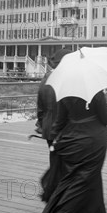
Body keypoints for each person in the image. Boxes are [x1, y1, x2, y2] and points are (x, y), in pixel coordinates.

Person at [41, 90, 107, 213]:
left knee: (74, 175)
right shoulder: (95, 91)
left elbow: (60, 120)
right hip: (93, 139)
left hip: (71, 138)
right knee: (84, 177)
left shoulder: (64, 92)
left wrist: (54, 139)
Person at [36, 48, 74, 202]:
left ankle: (52, 189)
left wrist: (41, 123)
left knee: (55, 159)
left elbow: (40, 106)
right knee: (65, 163)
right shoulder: (65, 81)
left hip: (48, 126)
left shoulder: (46, 78)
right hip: (63, 127)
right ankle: (53, 190)